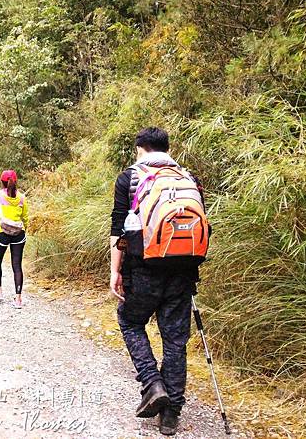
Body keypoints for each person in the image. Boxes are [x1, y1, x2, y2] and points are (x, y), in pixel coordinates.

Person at [109, 127, 207, 436]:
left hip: (143, 271)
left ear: (140, 149)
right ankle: (170, 415)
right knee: (175, 340)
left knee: (129, 321)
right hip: (183, 272)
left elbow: (118, 228)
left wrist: (115, 271)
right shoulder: (189, 179)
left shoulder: (130, 178)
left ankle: (152, 383)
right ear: (167, 148)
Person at [0, 170, 29, 308]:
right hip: (19, 233)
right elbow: (25, 218)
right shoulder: (22, 198)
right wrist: (25, 230)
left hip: (1, 234)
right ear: (15, 181)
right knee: (17, 266)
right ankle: (18, 300)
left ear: (2, 182)